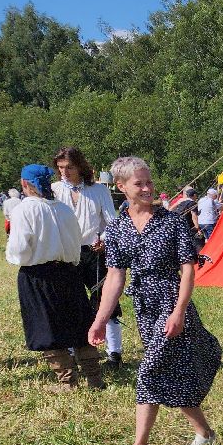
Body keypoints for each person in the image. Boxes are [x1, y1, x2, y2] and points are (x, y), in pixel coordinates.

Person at [91, 156, 222, 445]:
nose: (148, 188)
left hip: (173, 304)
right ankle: (205, 433)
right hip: (144, 309)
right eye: (140, 183)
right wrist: (99, 320)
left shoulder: (173, 220)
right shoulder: (118, 228)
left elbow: (188, 271)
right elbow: (115, 278)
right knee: (172, 374)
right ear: (121, 187)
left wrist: (178, 311)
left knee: (148, 372)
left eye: (149, 181)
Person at [5, 165, 104, 389]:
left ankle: (67, 381)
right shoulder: (65, 209)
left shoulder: (23, 210)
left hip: (38, 275)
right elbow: (76, 244)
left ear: (24, 183)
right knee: (79, 324)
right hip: (69, 272)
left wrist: (14, 255)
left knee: (47, 326)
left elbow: (19, 250)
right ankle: (94, 377)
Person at [52, 146, 124, 366]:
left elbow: (113, 222)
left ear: (80, 166)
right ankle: (74, 350)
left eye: (69, 167)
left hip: (94, 252)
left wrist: (104, 239)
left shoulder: (99, 191)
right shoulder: (53, 190)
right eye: (61, 167)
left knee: (105, 302)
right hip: (66, 254)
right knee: (70, 302)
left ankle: (114, 352)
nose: (65, 171)